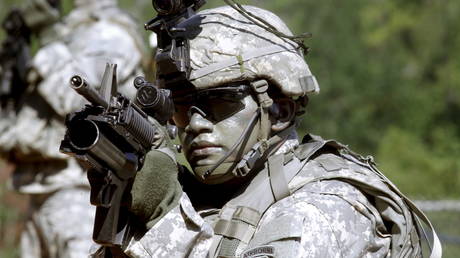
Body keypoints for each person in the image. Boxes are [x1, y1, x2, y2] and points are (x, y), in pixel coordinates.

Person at [91, 4, 441, 258]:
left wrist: (163, 216)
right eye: (182, 107)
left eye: (219, 103)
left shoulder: (323, 207)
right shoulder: (205, 201)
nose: (196, 123)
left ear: (280, 109)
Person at [0, 0, 147, 257]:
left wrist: (47, 37)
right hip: (44, 189)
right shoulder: (72, 31)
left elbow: (84, 107)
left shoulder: (110, 34)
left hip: (83, 192)